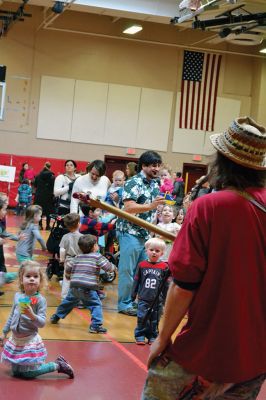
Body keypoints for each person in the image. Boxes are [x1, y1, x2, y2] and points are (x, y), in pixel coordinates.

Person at [142, 117, 266, 400]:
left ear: (221, 160)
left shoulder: (208, 207)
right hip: (256, 356)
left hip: (205, 349)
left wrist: (162, 339)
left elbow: (184, 284)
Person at [0, 260, 74, 379]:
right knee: (16, 373)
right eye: (28, 276)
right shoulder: (17, 296)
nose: (32, 279)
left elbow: (42, 323)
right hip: (15, 340)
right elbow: (11, 316)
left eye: (35, 276)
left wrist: (32, 315)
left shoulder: (40, 300)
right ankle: (54, 364)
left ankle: (57, 365)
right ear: (21, 279)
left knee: (28, 374)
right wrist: (4, 332)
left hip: (28, 341)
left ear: (40, 280)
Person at [116, 150, 165, 316]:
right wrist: (151, 206)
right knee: (127, 270)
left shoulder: (155, 184)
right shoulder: (133, 182)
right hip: (129, 231)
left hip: (145, 234)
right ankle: (124, 304)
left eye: (158, 165)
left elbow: (151, 211)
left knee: (143, 270)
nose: (156, 169)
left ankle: (137, 301)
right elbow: (129, 208)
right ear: (143, 166)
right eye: (153, 165)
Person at [50, 234, 115, 334]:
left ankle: (56, 316)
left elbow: (68, 267)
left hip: (75, 286)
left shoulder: (77, 257)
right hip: (88, 287)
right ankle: (95, 325)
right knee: (95, 305)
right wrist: (113, 268)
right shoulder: (97, 256)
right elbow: (108, 267)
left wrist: (67, 276)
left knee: (68, 302)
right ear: (94, 246)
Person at [132, 238, 168, 345]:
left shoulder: (164, 267)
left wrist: (166, 299)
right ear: (146, 250)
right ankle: (140, 335)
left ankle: (153, 335)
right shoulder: (142, 265)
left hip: (157, 300)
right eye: (151, 249)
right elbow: (136, 281)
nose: (154, 252)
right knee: (142, 318)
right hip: (143, 298)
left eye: (157, 251)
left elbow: (166, 285)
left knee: (155, 319)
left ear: (162, 253)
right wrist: (133, 294)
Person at [59, 213, 83, 299]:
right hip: (80, 261)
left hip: (69, 260)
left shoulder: (65, 237)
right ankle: (78, 297)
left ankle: (64, 296)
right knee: (78, 279)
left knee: (67, 279)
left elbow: (62, 250)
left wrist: (62, 260)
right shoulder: (82, 237)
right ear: (78, 224)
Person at [34, 162, 55, 230]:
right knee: (48, 212)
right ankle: (48, 226)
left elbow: (35, 185)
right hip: (48, 196)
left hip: (39, 196)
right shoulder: (52, 177)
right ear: (50, 167)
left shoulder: (38, 176)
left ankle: (40, 225)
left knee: (39, 211)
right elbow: (53, 187)